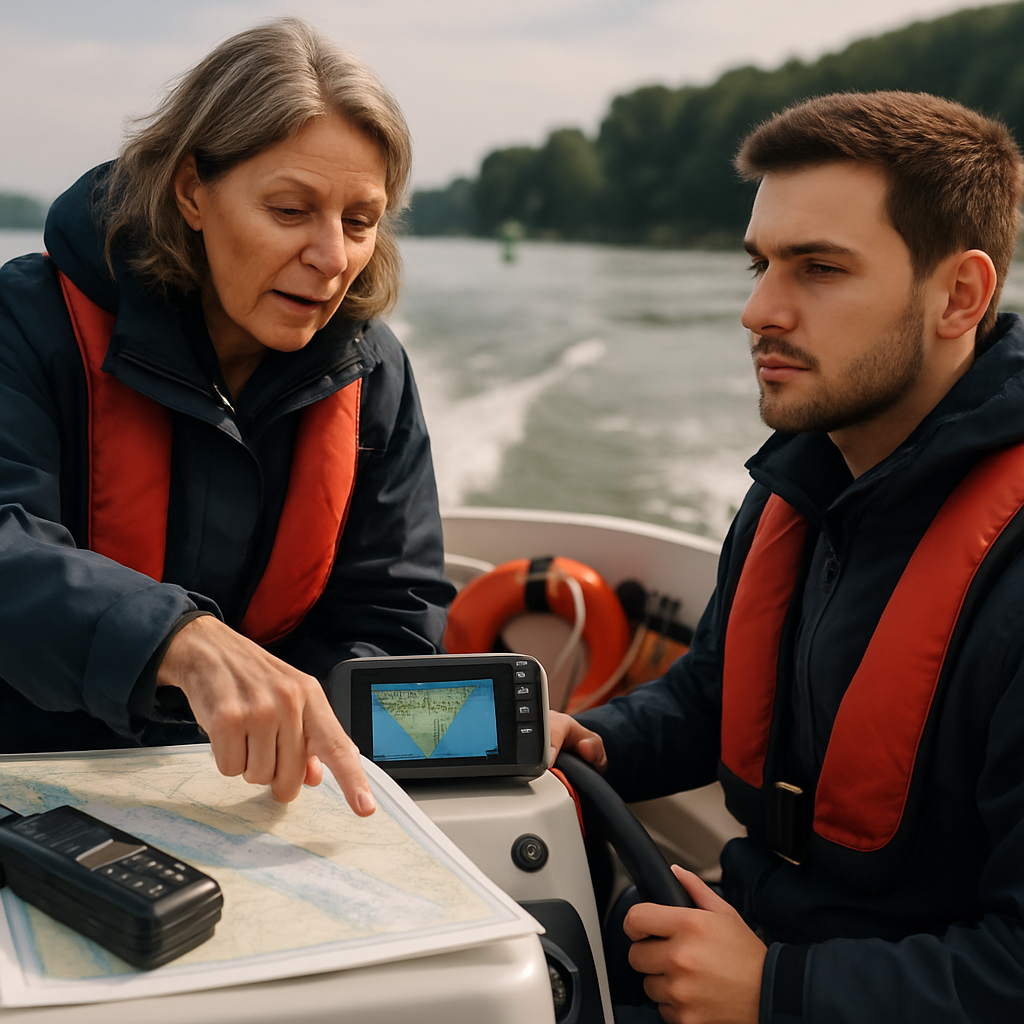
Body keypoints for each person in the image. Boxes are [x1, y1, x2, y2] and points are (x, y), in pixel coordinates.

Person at [552, 91, 1024, 1023]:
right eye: (760, 264)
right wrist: (599, 742)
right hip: (738, 939)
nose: (758, 310)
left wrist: (775, 990)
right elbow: (716, 693)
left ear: (960, 297)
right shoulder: (803, 479)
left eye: (819, 268)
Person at [0, 19, 454, 813]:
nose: (332, 257)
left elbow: (392, 617)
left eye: (359, 221)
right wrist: (178, 640)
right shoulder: (25, 323)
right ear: (191, 192)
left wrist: (306, 745)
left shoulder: (374, 373)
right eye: (291, 210)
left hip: (261, 799)